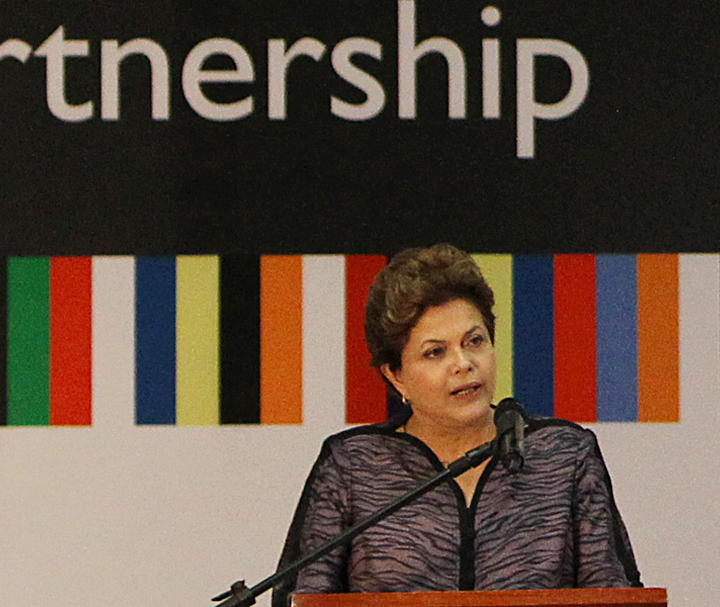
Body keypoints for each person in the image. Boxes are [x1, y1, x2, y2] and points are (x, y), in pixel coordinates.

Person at [275, 245, 642, 595]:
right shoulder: (353, 466)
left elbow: (613, 593)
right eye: (435, 352)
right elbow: (303, 596)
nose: (463, 363)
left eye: (474, 341)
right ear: (396, 375)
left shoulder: (564, 455)